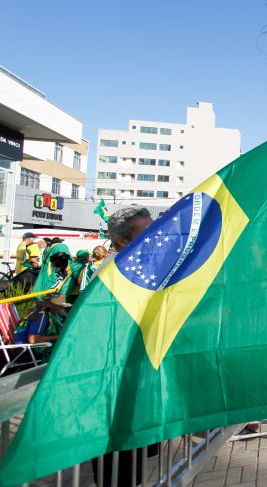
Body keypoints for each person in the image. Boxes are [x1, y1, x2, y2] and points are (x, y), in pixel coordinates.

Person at [93, 207, 155, 486]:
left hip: (133, 386)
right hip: (115, 389)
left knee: (132, 469)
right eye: (148, 231)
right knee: (118, 471)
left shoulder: (138, 267)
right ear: (122, 241)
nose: (156, 236)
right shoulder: (114, 273)